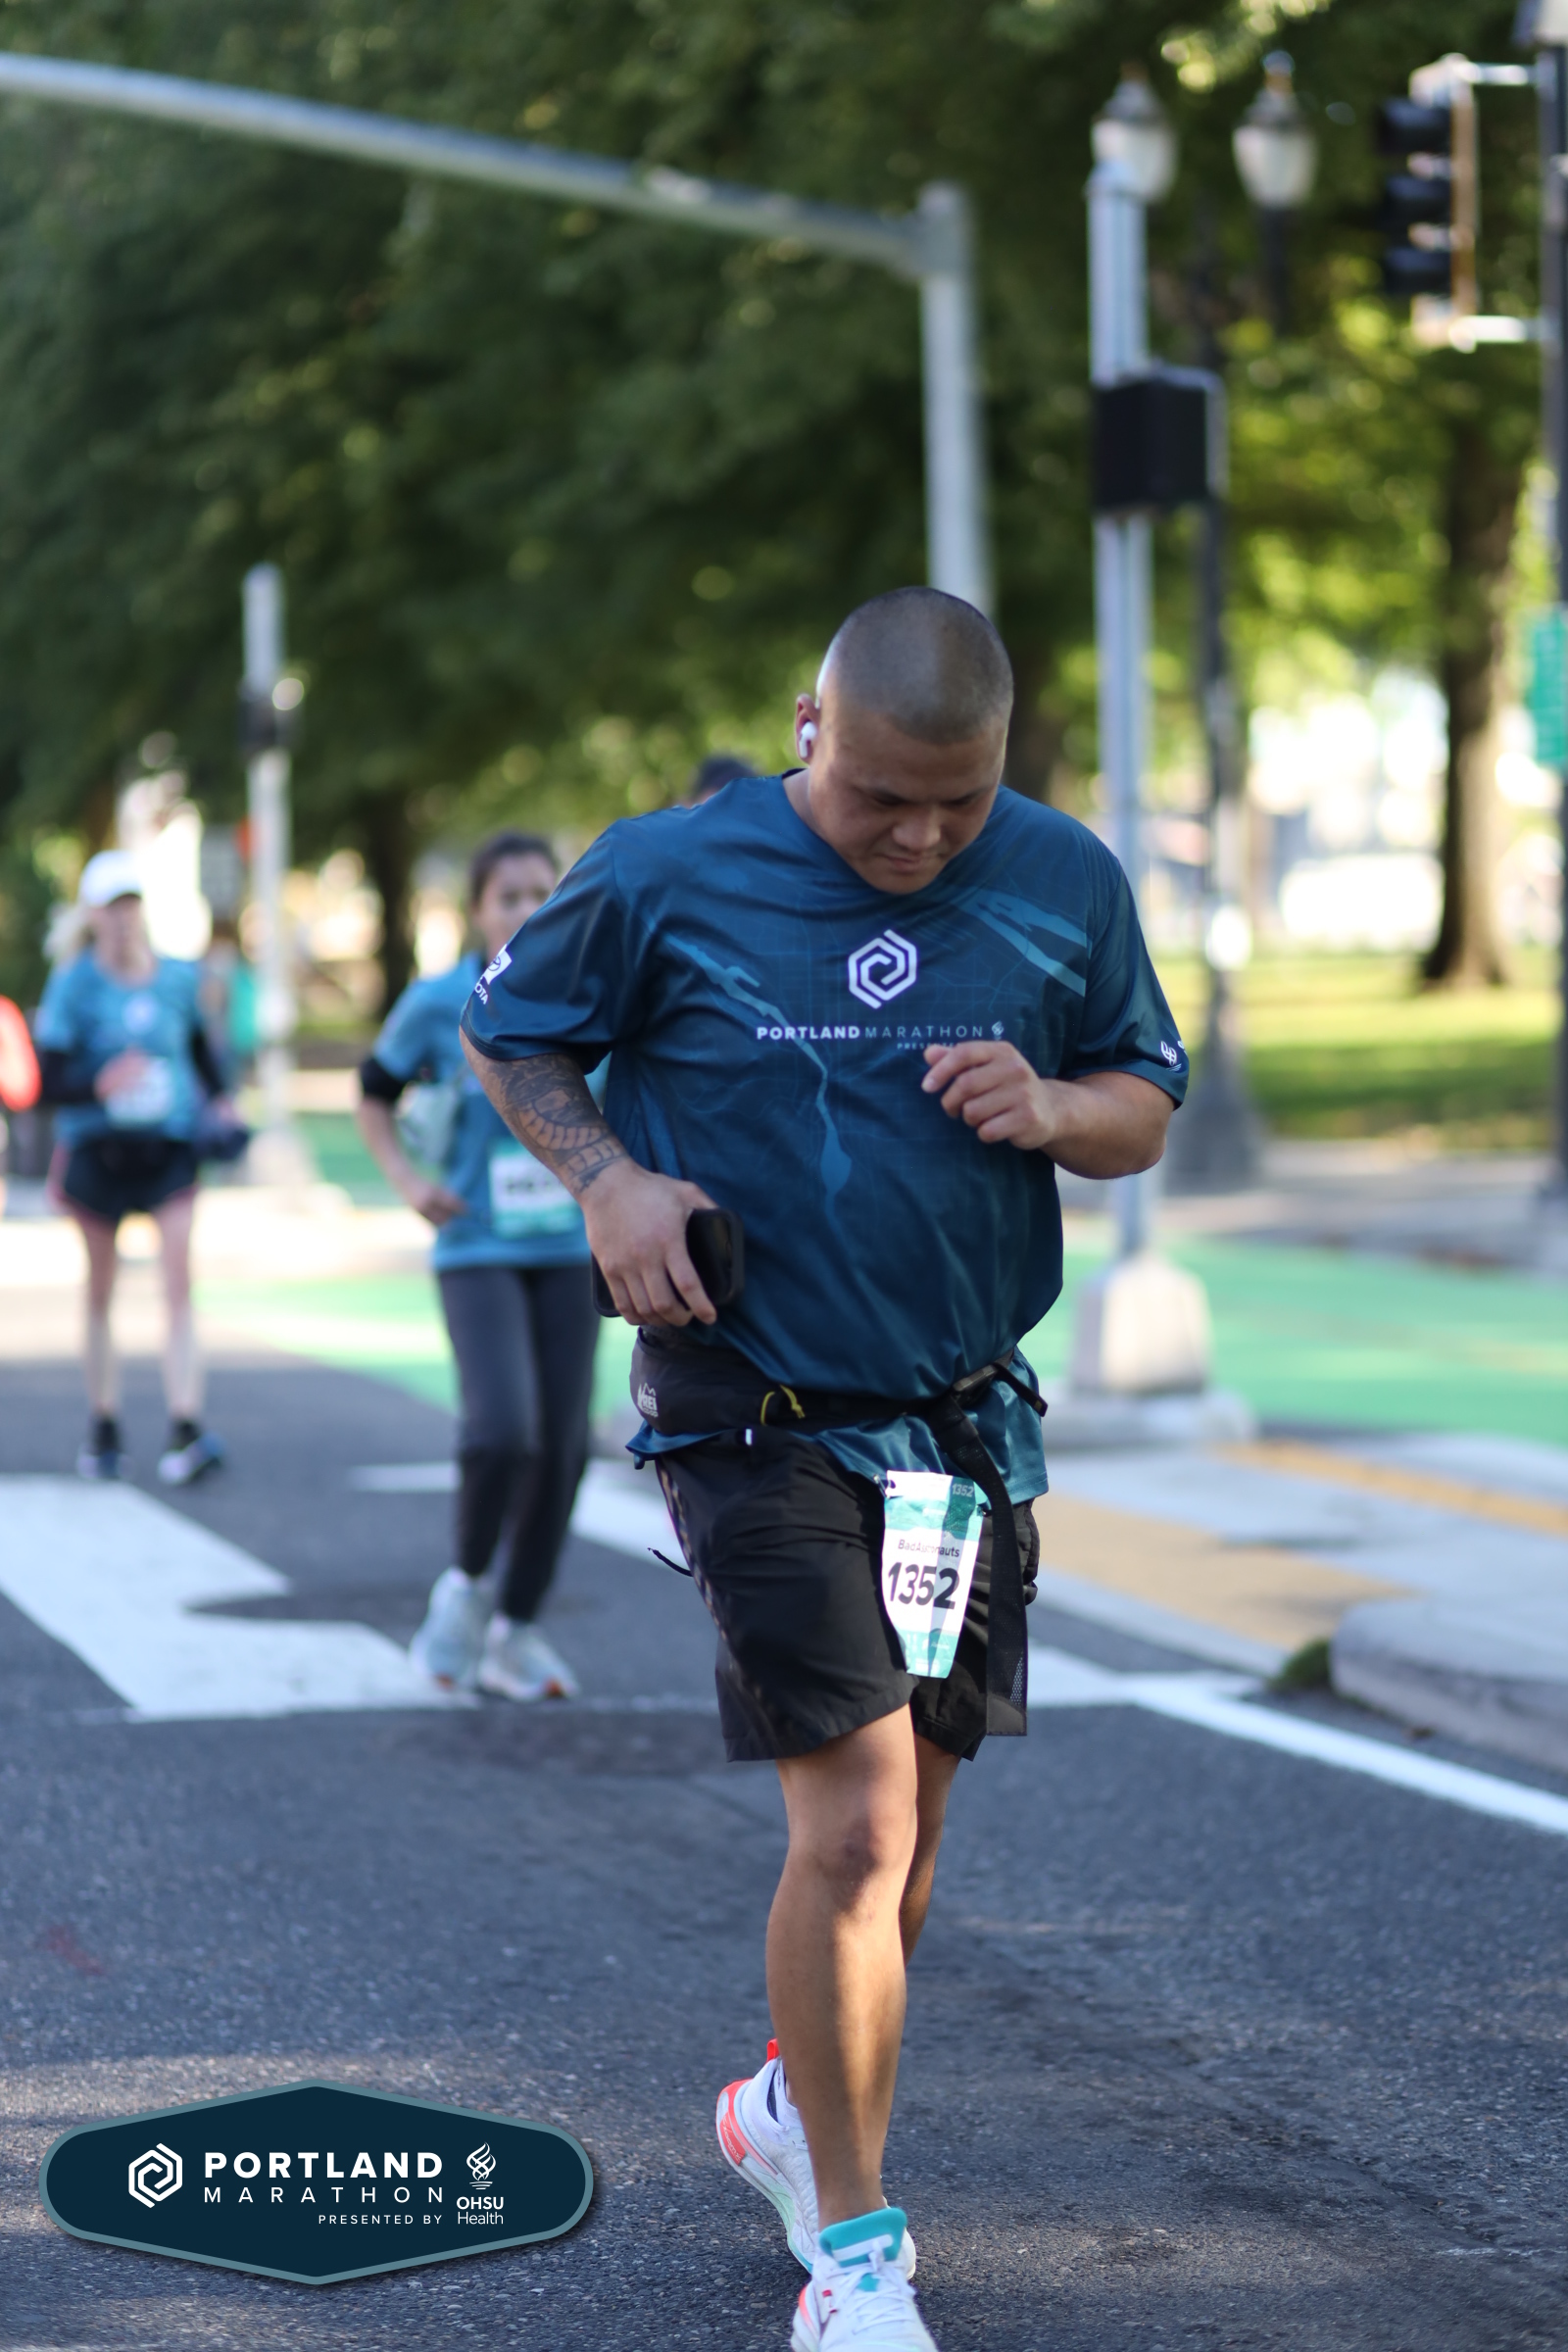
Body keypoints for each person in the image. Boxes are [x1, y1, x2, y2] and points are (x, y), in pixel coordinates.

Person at [460, 588, 1188, 2350]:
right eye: (880, 798)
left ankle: (795, 2104)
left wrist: (1055, 1107)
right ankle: (856, 2261)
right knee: (855, 1824)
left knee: (912, 1837)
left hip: (960, 1429)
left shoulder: (1064, 878)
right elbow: (511, 1030)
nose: (918, 838)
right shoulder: (665, 870)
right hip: (753, 1405)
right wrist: (610, 1182)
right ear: (810, 727)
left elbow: (1144, 1096)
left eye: (956, 802)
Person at [357, 830, 596, 1704]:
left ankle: (516, 1631)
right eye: (509, 897)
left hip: (570, 1248)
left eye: (542, 892)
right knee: (502, 1431)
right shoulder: (437, 1002)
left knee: (566, 1449)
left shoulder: (589, 992)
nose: (528, 910)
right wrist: (407, 1181)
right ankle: (462, 1589)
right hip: (476, 1247)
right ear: (476, 910)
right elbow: (372, 1093)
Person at [35, 849, 232, 1485]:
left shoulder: (176, 979)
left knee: (178, 1280)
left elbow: (200, 1050)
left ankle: (186, 1424)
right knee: (102, 1288)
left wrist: (222, 1102)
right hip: (99, 1152)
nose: (123, 918)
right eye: (111, 907)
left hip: (167, 1148)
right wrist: (99, 1083)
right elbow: (47, 1081)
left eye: (131, 905)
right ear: (93, 915)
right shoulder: (74, 985)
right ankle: (104, 1423)